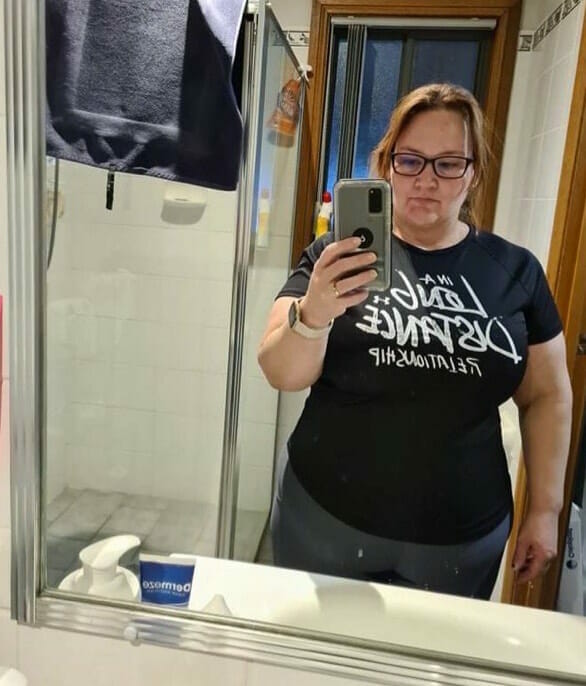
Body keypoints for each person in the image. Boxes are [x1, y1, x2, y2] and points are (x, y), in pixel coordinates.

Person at [257, 83, 572, 599]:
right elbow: (280, 372)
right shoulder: (333, 255)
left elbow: (548, 395)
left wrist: (545, 509)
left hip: (459, 542)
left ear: (473, 173)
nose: (427, 180)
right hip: (323, 519)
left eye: (448, 164)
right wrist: (313, 312)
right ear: (387, 166)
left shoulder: (515, 272)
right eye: (410, 161)